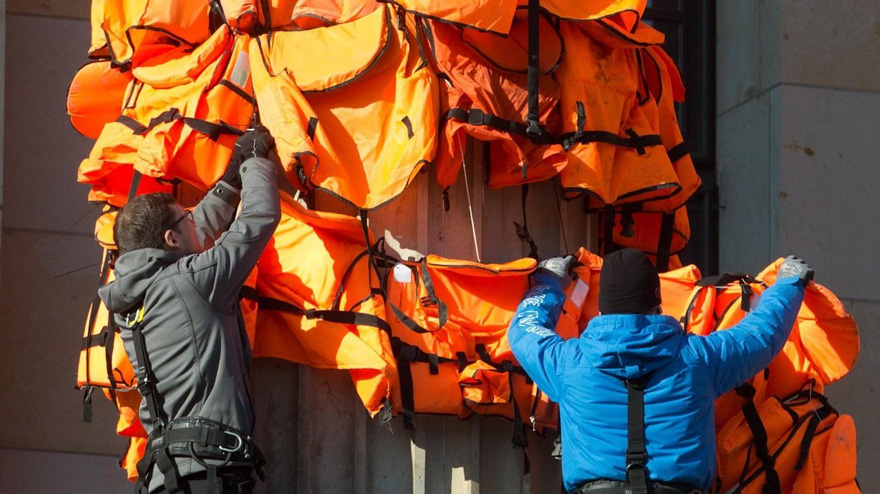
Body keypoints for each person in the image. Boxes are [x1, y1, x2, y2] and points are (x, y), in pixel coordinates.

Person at [508, 248, 813, 494]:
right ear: (658, 306)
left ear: (601, 311)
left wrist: (548, 283)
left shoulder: (568, 363)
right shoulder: (700, 359)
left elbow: (524, 331)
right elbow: (761, 334)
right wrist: (788, 285)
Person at [98, 127, 281, 494]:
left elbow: (190, 236)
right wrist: (257, 162)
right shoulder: (192, 282)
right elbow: (259, 218)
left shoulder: (130, 301)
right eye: (188, 218)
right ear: (170, 239)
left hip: (168, 476)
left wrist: (229, 181)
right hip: (207, 476)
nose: (196, 221)